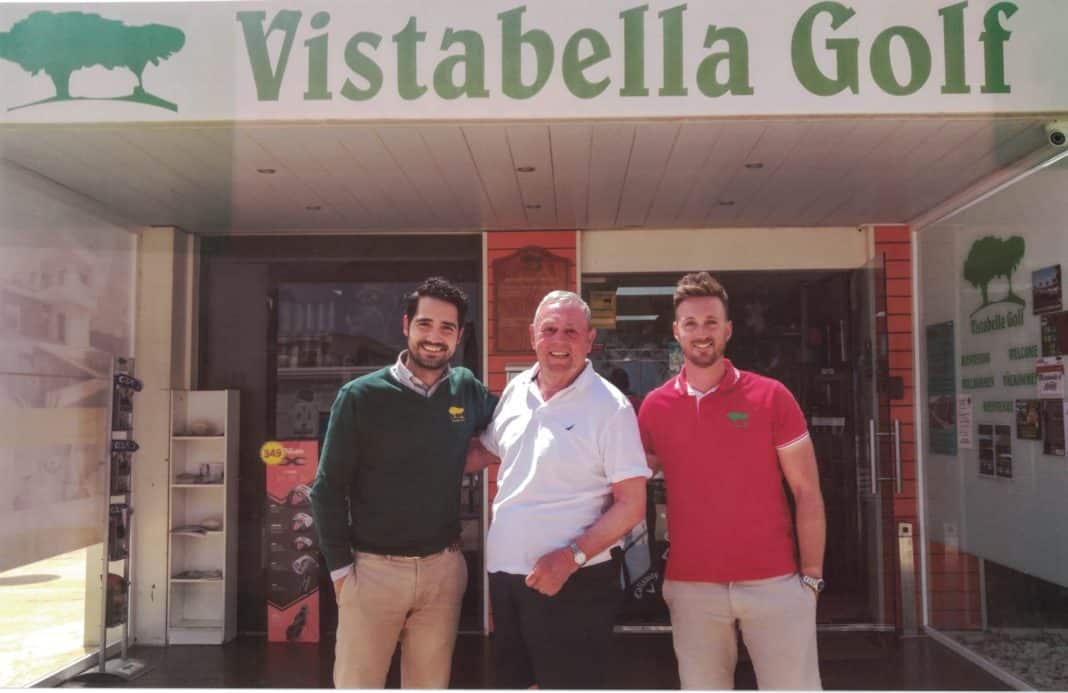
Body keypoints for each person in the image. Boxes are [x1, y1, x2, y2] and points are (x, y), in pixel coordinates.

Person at [637, 272, 826, 690]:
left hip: (774, 581)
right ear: (676, 332)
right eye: (690, 324)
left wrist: (810, 578)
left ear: (728, 330)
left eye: (710, 323)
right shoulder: (655, 407)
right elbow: (629, 483)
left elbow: (807, 491)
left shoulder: (772, 396)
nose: (701, 333)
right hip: (692, 586)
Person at [310, 276, 497, 688]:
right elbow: (326, 489)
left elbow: (513, 427)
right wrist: (341, 572)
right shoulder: (361, 396)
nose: (435, 337)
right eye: (425, 324)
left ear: (460, 335)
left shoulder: (466, 388)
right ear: (406, 325)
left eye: (447, 328)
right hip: (373, 571)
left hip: (443, 570)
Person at [472, 290, 650, 689]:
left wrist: (570, 558)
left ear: (589, 340)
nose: (558, 340)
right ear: (533, 335)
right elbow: (487, 449)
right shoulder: (517, 389)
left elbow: (631, 504)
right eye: (549, 329)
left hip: (575, 581)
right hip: (507, 576)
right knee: (515, 684)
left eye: (571, 331)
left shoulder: (611, 407)